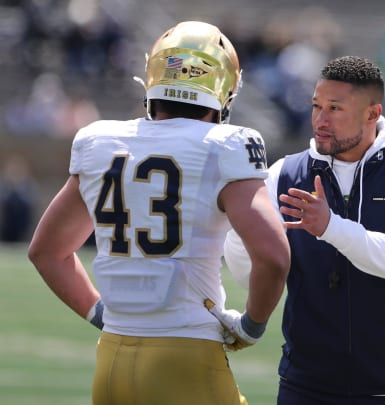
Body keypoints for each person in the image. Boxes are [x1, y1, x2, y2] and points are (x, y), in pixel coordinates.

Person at [27, 21, 291, 405]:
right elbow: (273, 256)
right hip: (187, 358)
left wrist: (99, 312)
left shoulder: (100, 141)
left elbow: (47, 251)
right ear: (225, 89)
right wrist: (251, 325)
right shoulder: (226, 145)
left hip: (111, 361)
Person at [223, 55, 385, 404]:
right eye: (316, 106)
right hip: (304, 386)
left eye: (334, 108)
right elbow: (246, 274)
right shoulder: (283, 174)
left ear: (372, 114)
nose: (320, 119)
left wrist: (331, 226)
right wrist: (242, 233)